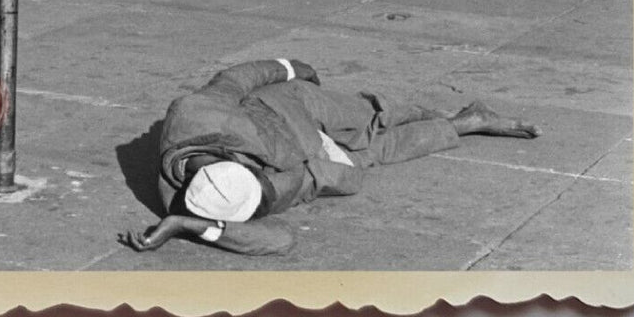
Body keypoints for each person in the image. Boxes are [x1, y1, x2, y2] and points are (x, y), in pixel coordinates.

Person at [122, 58, 539, 256]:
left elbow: (237, 77)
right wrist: (182, 225)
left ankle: (448, 115)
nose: (269, 176)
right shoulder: (228, 198)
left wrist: (292, 68)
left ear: (232, 162)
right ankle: (468, 122)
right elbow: (280, 239)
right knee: (375, 154)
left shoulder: (196, 114)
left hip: (289, 105)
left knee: (370, 115)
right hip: (312, 155)